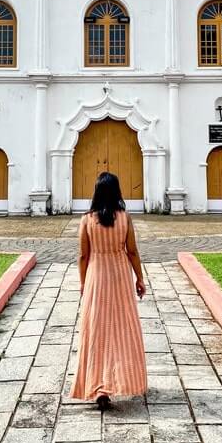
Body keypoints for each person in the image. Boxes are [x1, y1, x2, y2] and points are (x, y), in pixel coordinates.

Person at [69, 171, 147, 410]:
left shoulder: (87, 219)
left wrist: (83, 282)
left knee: (96, 330)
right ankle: (123, 380)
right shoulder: (124, 218)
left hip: (97, 275)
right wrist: (139, 278)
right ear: (117, 192)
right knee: (123, 329)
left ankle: (98, 385)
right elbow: (132, 251)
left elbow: (83, 255)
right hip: (120, 275)